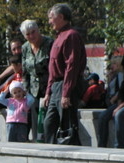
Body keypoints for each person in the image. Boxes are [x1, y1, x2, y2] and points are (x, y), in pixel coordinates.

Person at [43, 3, 87, 145]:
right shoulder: (58, 37)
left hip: (66, 85)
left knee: (68, 127)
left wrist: (66, 93)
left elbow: (71, 66)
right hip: (56, 86)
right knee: (48, 124)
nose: (49, 21)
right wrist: (48, 92)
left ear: (61, 17)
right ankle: (51, 155)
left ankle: (74, 155)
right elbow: (52, 68)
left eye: (51, 17)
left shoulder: (71, 36)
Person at [97, 40, 124, 148]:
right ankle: (101, 146)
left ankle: (119, 146)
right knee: (103, 116)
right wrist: (119, 101)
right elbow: (123, 87)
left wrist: (121, 106)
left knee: (119, 114)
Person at [20, 19, 54, 142]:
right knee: (35, 123)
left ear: (38, 30)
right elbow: (25, 71)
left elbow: (53, 69)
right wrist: (25, 91)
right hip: (33, 91)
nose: (31, 36)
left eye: (33, 32)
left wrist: (49, 92)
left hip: (49, 89)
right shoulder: (24, 47)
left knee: (48, 121)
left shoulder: (50, 43)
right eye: (27, 34)